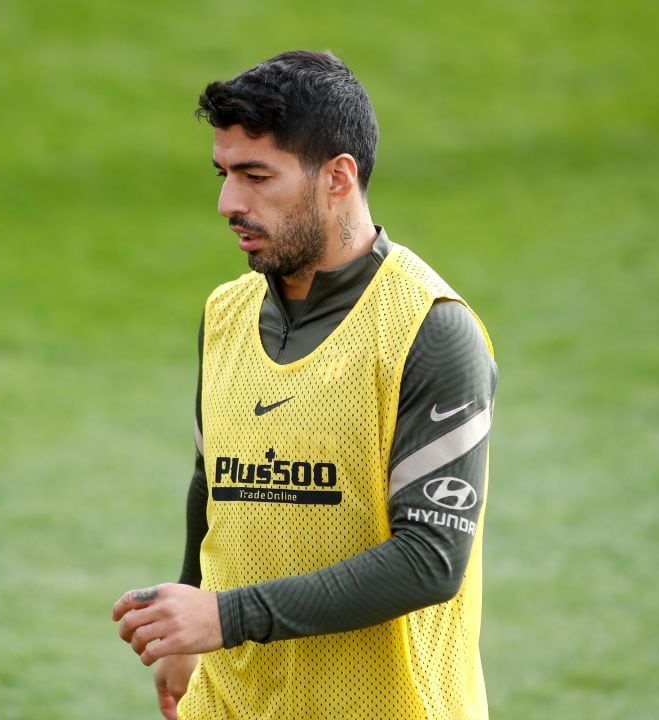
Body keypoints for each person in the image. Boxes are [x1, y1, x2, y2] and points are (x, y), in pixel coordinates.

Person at [112, 50, 498, 720]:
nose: (228, 202)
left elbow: (429, 560)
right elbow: (215, 482)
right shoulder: (225, 314)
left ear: (338, 178)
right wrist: (187, 611)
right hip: (229, 704)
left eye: (256, 175)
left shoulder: (430, 330)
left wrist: (223, 617)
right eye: (224, 173)